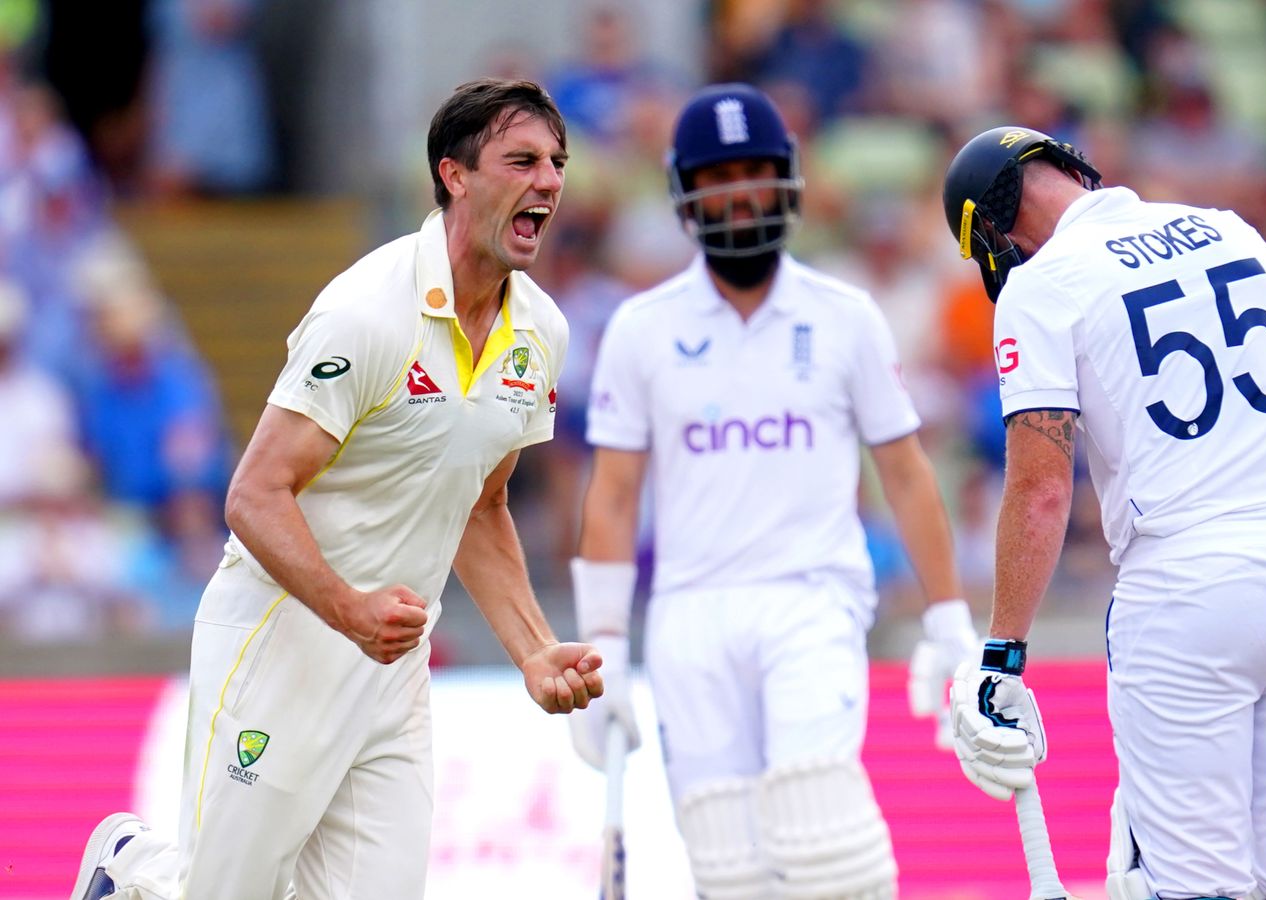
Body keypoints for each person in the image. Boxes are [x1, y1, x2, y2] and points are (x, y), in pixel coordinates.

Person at [71, 78, 604, 900]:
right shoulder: (366, 312)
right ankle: (132, 868)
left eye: (557, 163)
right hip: (282, 640)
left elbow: (483, 506)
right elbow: (252, 494)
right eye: (523, 160)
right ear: (455, 174)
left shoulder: (543, 332)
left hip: (391, 668)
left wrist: (533, 651)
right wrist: (348, 608)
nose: (549, 182)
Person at [941, 126, 1266, 900]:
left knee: (1190, 886)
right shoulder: (1236, 232)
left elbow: (1041, 490)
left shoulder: (1043, 287)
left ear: (998, 231)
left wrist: (1002, 653)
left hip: (1188, 586)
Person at [569, 83, 977, 899]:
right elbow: (612, 495)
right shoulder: (642, 328)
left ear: (787, 181)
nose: (738, 195)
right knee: (730, 867)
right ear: (684, 191)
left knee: (822, 836)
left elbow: (903, 470)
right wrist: (603, 646)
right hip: (690, 609)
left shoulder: (844, 316)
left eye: (753, 172)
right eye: (718, 177)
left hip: (812, 598)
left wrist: (949, 620)